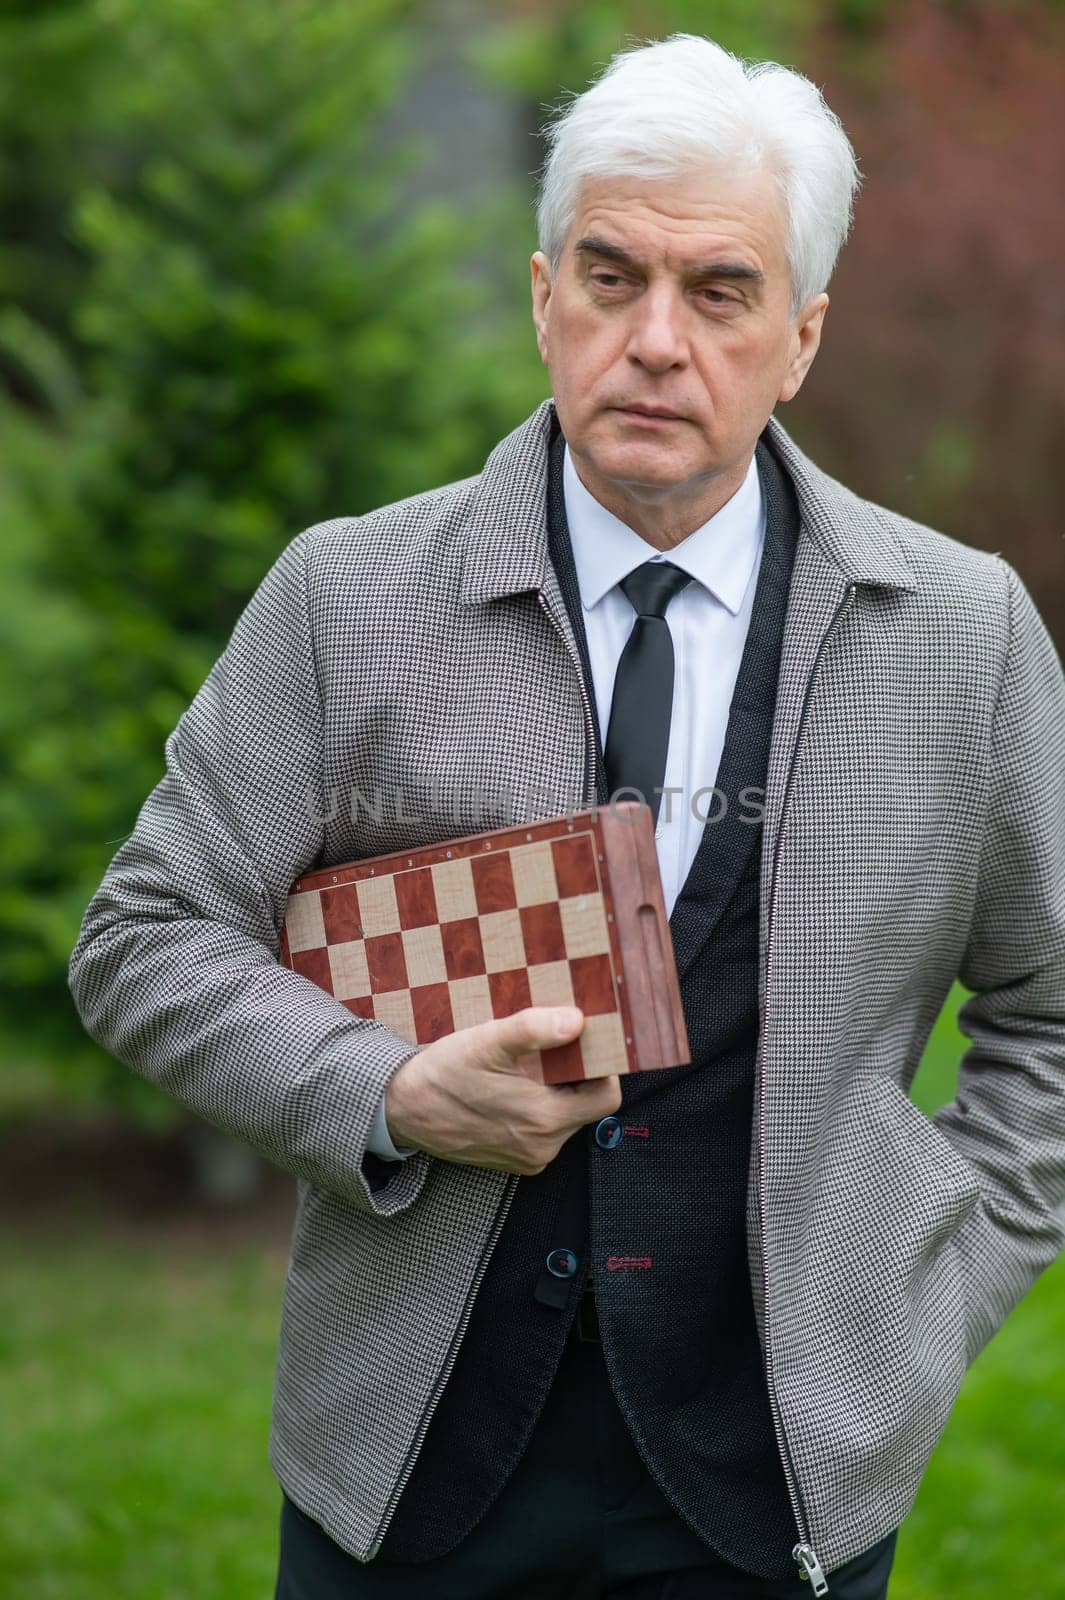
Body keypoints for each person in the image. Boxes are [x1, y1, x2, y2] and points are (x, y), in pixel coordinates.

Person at [68, 32, 1064, 1600]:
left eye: (718, 292)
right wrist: (386, 1091)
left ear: (799, 338)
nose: (655, 340)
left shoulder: (960, 634)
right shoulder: (349, 599)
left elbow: (1049, 1015)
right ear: (544, 299)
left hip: (780, 1488)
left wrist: (924, 1296)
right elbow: (141, 939)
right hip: (404, 1471)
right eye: (610, 278)